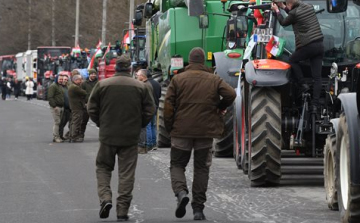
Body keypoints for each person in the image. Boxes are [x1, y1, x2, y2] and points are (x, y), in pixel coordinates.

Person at [164, 47, 236, 220]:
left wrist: (170, 127)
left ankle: (181, 192)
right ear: (203, 61)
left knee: (177, 165)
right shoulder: (213, 79)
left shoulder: (178, 79)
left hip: (181, 131)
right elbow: (231, 93)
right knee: (202, 168)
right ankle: (198, 209)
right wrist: (220, 107)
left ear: (189, 61)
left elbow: (168, 105)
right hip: (205, 132)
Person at [87, 55, 155, 221]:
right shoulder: (141, 86)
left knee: (103, 167)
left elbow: (91, 108)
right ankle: (122, 211)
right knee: (126, 173)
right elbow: (150, 110)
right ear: (130, 69)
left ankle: (105, 198)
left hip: (108, 135)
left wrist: (101, 124)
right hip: (130, 137)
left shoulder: (102, 85)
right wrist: (139, 124)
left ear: (116, 68)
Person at [271, 0, 324, 110]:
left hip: (308, 46)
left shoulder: (293, 13)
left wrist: (277, 10)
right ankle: (315, 104)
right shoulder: (308, 6)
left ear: (290, 4)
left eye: (287, 5)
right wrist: (283, 6)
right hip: (319, 45)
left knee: (292, 60)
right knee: (317, 78)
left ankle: (303, 84)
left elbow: (284, 22)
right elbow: (293, 14)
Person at [135, 69, 154, 154]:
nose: (136, 77)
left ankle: (142, 146)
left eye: (137, 75)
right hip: (144, 109)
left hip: (144, 110)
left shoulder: (146, 86)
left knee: (143, 128)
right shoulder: (145, 84)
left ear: (142, 76)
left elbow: (148, 100)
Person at [145, 69, 161, 151]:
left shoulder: (146, 84)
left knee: (148, 126)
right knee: (153, 125)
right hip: (156, 107)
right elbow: (159, 95)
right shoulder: (157, 84)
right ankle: (154, 144)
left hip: (148, 108)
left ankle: (149, 144)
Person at [80, 68, 98, 140]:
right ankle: (81, 134)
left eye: (94, 74)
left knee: (99, 120)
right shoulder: (84, 83)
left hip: (96, 104)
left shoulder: (98, 83)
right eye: (92, 74)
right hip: (86, 104)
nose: (93, 75)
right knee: (84, 121)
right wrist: (84, 103)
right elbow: (81, 94)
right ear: (89, 75)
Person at [68, 73, 87, 143]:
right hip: (77, 107)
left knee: (73, 122)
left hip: (74, 106)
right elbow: (84, 93)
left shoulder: (72, 86)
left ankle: (71, 136)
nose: (81, 81)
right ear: (76, 80)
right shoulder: (75, 87)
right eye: (80, 80)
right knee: (76, 122)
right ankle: (74, 137)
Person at [48, 75, 65, 143]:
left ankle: (58, 136)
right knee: (57, 122)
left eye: (62, 79)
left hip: (61, 107)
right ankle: (56, 137)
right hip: (56, 107)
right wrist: (54, 106)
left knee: (59, 122)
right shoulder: (53, 86)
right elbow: (50, 97)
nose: (61, 80)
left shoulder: (60, 86)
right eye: (60, 79)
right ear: (56, 79)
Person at [59, 75, 71, 141]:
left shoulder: (67, 87)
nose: (65, 81)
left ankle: (62, 136)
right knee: (61, 123)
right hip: (63, 107)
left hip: (68, 108)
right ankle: (59, 136)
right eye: (64, 79)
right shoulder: (60, 87)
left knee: (65, 122)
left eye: (66, 80)